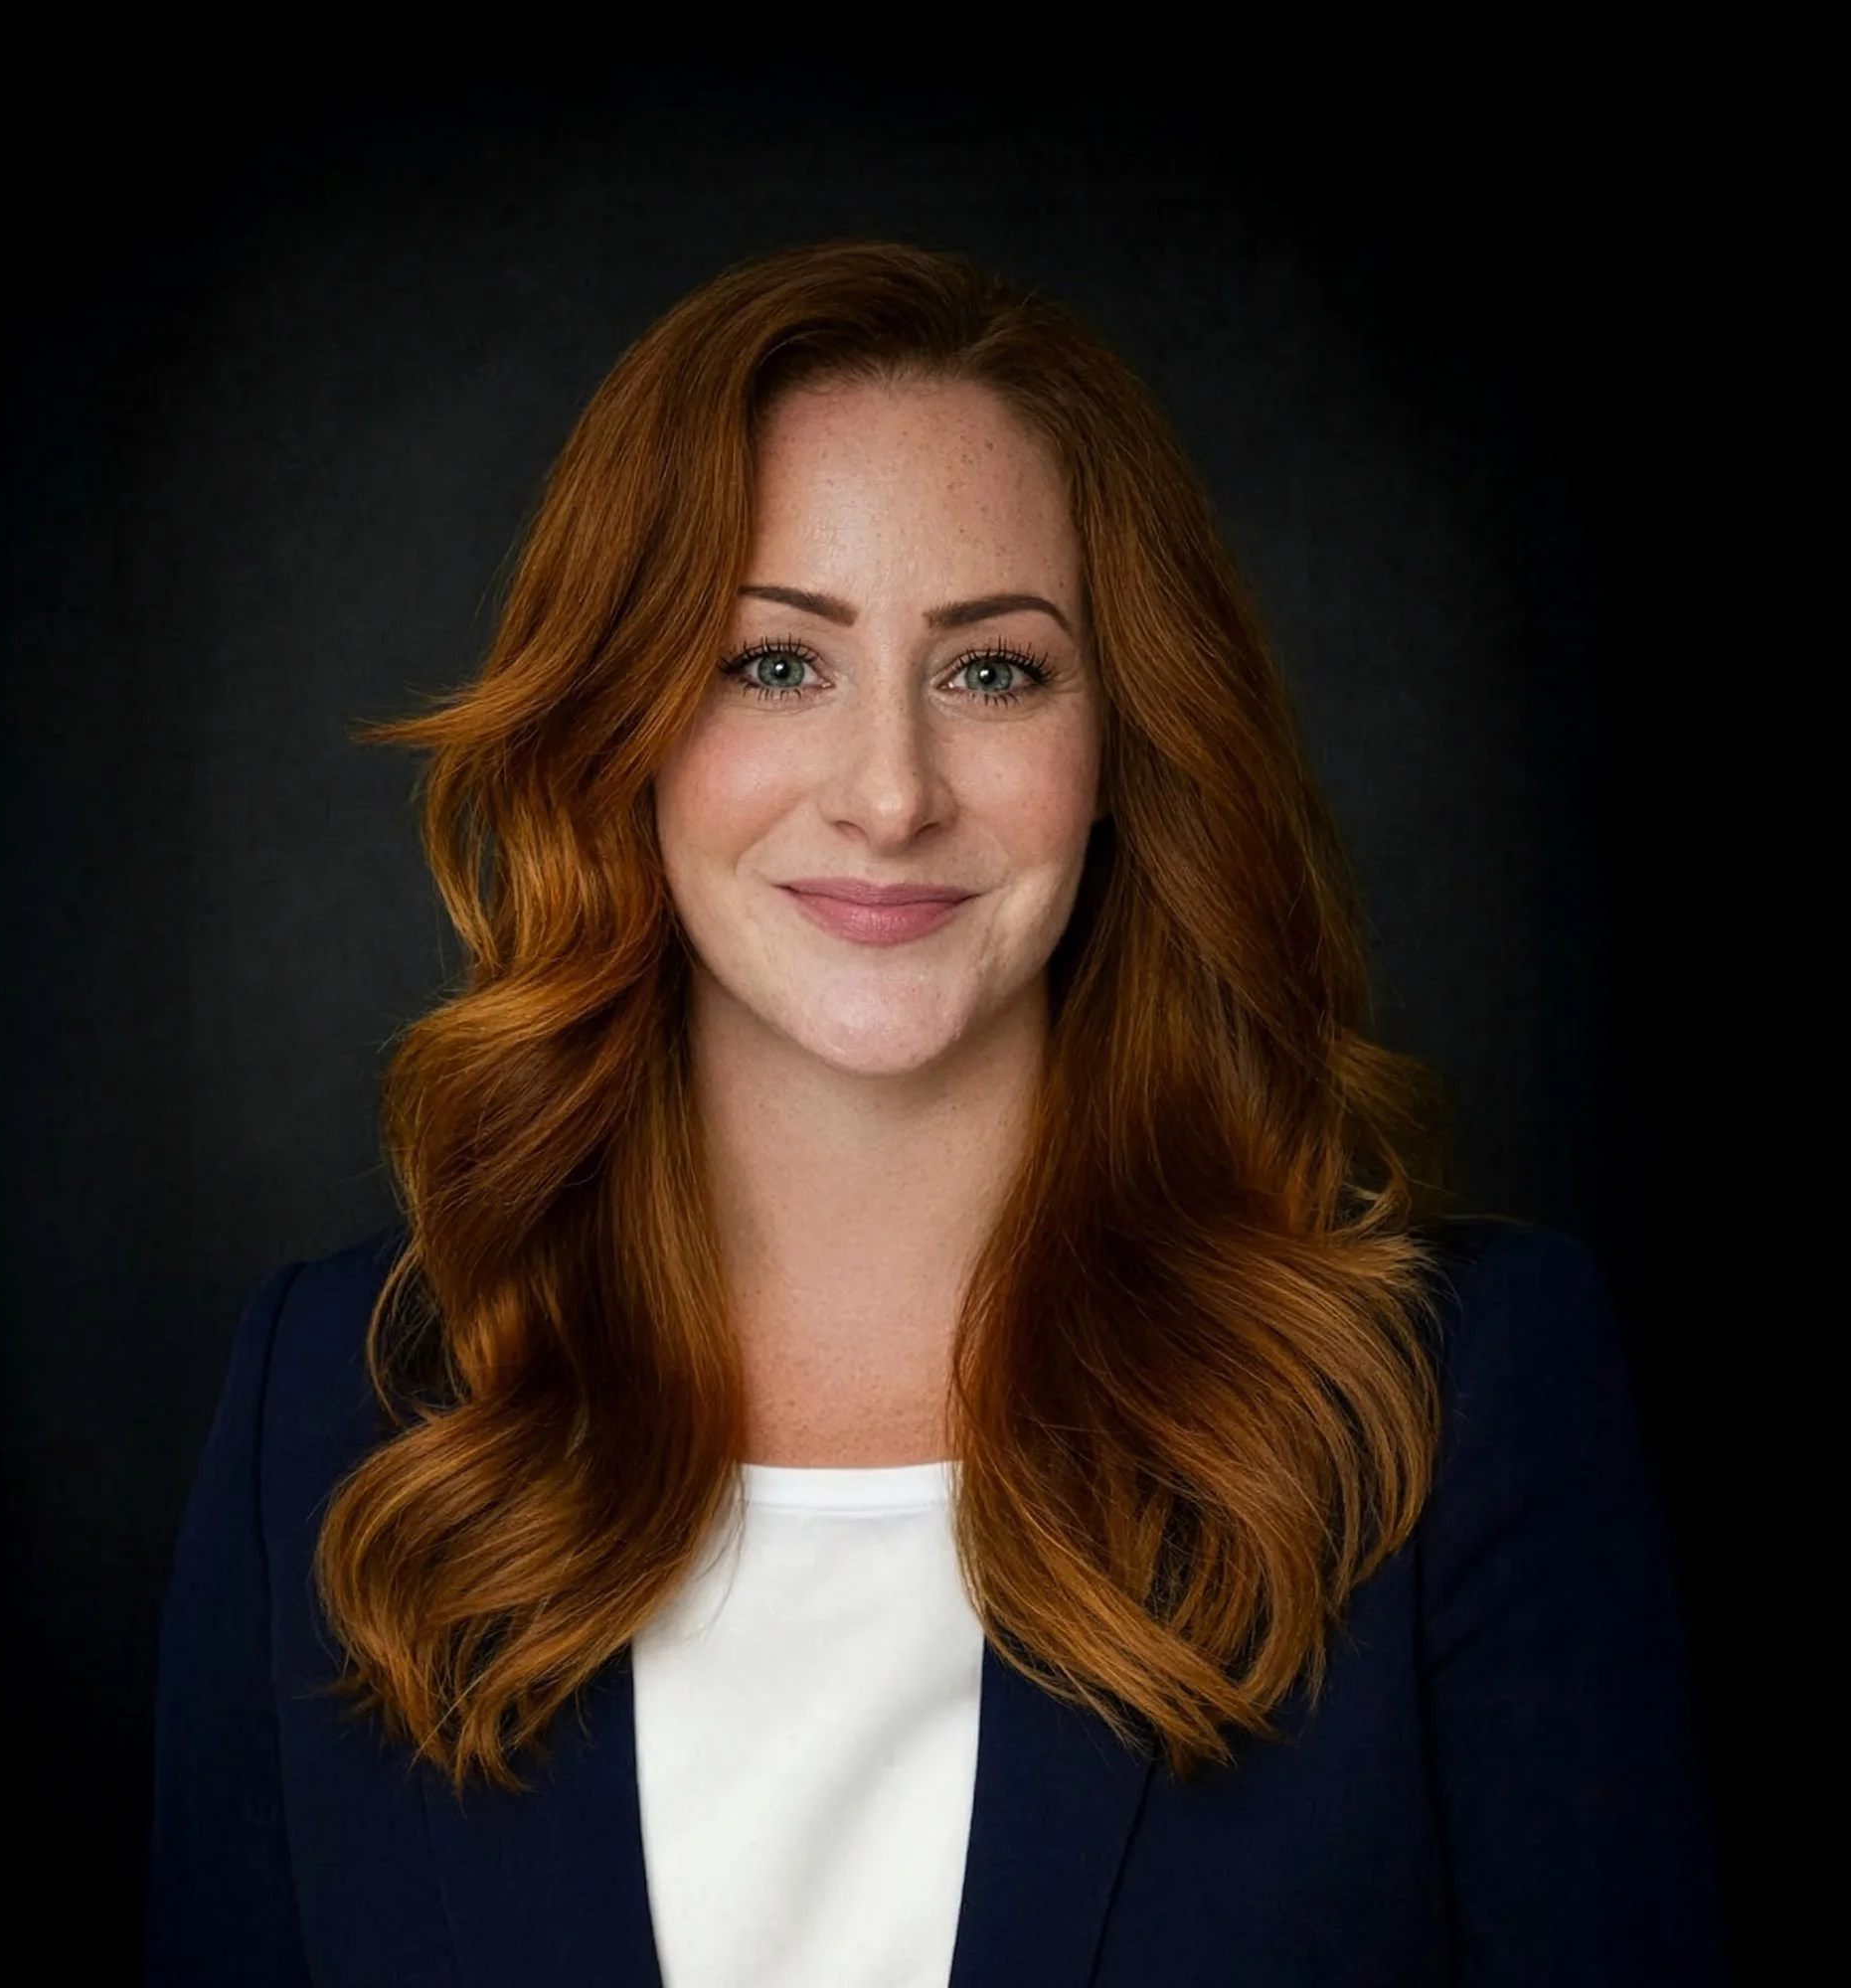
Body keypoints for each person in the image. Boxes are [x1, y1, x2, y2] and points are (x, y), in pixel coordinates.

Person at [144, 241, 1726, 1986]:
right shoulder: (340, 1409)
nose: (891, 795)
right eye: (771, 664)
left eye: (994, 671)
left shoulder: (1457, 1406)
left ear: (1122, 741)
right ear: (622, 729)